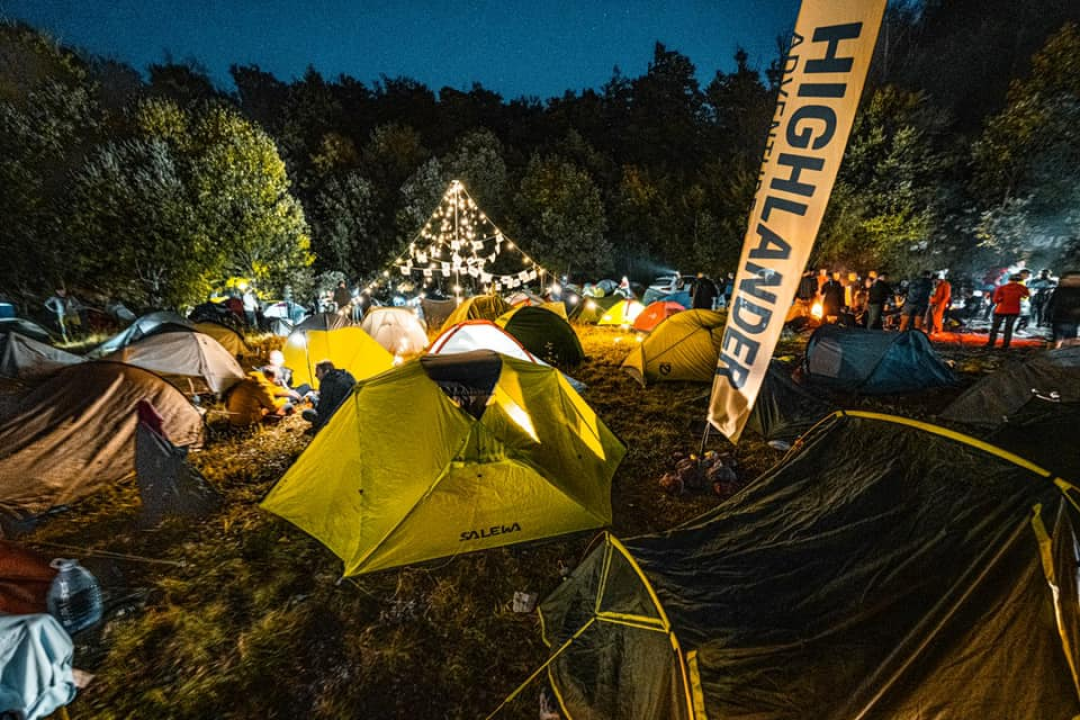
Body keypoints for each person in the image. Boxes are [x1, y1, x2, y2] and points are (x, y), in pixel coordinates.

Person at [225, 367, 295, 427]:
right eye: (276, 378)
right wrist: (285, 400)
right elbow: (273, 407)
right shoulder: (262, 386)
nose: (277, 381)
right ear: (270, 378)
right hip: (246, 421)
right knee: (273, 407)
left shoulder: (248, 380)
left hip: (233, 418)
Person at [301, 361, 356, 432]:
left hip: (335, 415)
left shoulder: (326, 382)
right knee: (314, 398)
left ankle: (318, 427)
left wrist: (316, 405)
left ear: (326, 371)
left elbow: (323, 408)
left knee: (306, 412)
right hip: (351, 410)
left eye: (318, 372)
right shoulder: (347, 374)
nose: (315, 375)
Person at [986, 274, 1030, 350]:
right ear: (1020, 281)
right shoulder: (1023, 288)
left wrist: (1002, 299)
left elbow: (995, 300)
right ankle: (1005, 346)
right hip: (1014, 310)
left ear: (1009, 280)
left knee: (995, 328)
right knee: (1008, 329)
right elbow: (1026, 296)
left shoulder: (1002, 287)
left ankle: (991, 344)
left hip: (1001, 310)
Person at [1046, 271, 1080, 349]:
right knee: (1058, 340)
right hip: (1060, 318)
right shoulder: (1060, 290)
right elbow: (1052, 304)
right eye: (1073, 279)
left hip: (1072, 320)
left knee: (1069, 340)